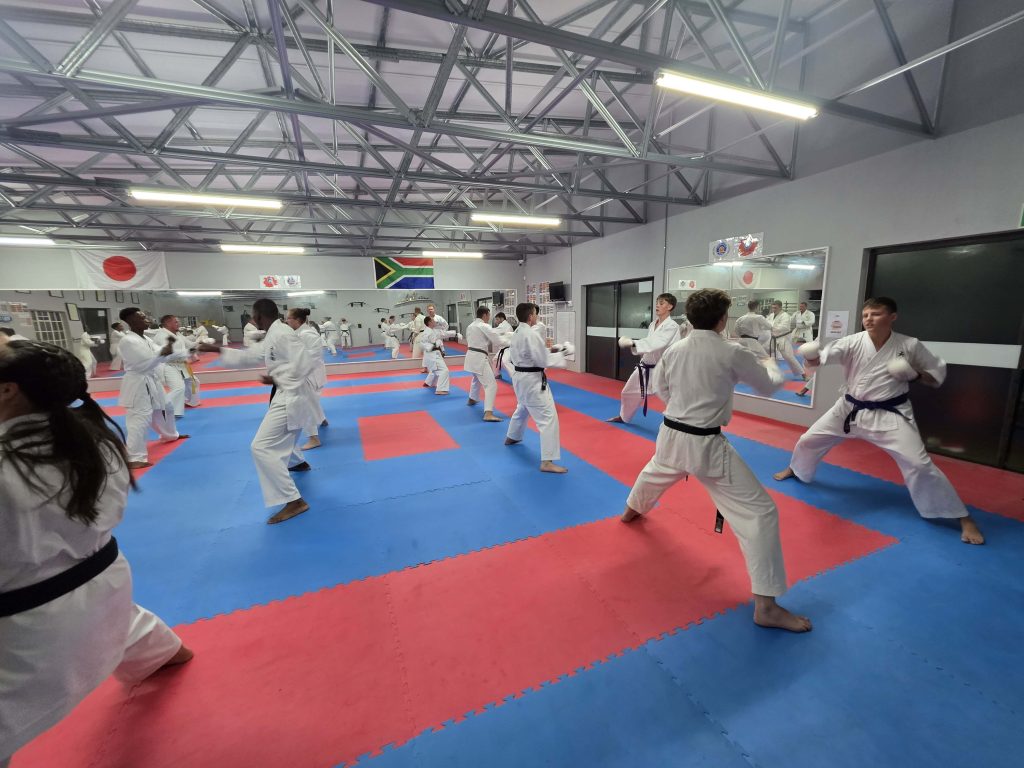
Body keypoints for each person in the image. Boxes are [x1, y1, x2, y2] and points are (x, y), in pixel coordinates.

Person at [0, 341, 192, 767]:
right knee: (118, 619)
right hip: (106, 587)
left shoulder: (11, 463)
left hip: (28, 628)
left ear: (9, 390)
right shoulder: (96, 441)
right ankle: (164, 653)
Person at [621, 289, 811, 633]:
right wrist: (770, 362)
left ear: (691, 318)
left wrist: (683, 406)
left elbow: (661, 388)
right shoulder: (732, 352)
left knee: (657, 470)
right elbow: (769, 386)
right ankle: (766, 607)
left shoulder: (676, 349)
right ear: (723, 320)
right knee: (760, 512)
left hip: (670, 433)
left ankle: (631, 510)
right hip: (705, 444)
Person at [773, 296, 984, 544]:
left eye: (875, 314)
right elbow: (824, 357)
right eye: (865, 315)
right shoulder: (852, 341)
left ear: (892, 317)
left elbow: (935, 376)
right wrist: (812, 357)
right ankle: (797, 469)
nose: (868, 319)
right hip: (849, 408)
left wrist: (915, 375)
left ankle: (961, 516)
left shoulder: (910, 345)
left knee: (918, 464)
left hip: (890, 413)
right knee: (809, 439)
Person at [202, 298, 317, 525]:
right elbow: (250, 356)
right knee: (281, 437)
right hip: (286, 392)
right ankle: (297, 463)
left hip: (291, 393)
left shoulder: (281, 334)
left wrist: (277, 378)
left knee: (261, 447)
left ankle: (293, 500)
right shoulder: (274, 334)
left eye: (253, 317)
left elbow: (305, 363)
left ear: (258, 317)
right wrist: (217, 349)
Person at [504, 302, 573, 474]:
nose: (537, 316)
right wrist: (563, 353)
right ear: (530, 316)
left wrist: (552, 350)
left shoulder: (517, 332)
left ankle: (512, 436)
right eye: (535, 313)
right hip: (532, 380)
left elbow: (531, 355)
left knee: (523, 407)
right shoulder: (531, 334)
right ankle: (547, 462)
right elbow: (542, 360)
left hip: (519, 378)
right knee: (548, 418)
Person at [116, 308, 188, 469]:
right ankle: (135, 457)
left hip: (151, 380)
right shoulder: (128, 341)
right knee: (140, 418)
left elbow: (163, 355)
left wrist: (191, 350)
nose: (147, 319)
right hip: (138, 383)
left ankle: (170, 435)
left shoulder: (146, 338)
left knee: (167, 408)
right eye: (142, 317)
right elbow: (144, 363)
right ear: (131, 320)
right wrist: (163, 352)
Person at [608, 293, 680, 424]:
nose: (657, 305)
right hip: (645, 366)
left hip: (662, 369)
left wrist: (633, 343)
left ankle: (680, 422)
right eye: (657, 302)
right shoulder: (653, 324)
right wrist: (637, 346)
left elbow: (657, 343)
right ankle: (624, 417)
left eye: (661, 303)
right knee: (628, 391)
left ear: (670, 306)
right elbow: (650, 344)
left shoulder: (672, 326)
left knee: (670, 397)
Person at [286, 307, 328, 451]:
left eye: (289, 318)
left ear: (297, 320)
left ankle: (313, 438)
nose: (286, 321)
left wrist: (294, 365)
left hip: (309, 375)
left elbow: (314, 355)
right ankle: (322, 420)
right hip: (308, 373)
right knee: (312, 401)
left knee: (305, 406)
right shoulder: (299, 333)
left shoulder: (307, 334)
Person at [464, 306, 509, 422]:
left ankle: (472, 398)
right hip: (479, 358)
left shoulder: (470, 326)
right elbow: (497, 340)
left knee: (477, 378)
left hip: (470, 356)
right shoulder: (484, 326)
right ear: (484, 315)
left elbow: (485, 337)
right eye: (489, 315)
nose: (489, 317)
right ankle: (488, 413)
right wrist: (512, 341)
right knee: (491, 385)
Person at [152, 315, 201, 417]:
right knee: (178, 388)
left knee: (194, 382)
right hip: (168, 365)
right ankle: (164, 409)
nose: (178, 324)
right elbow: (169, 353)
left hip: (181, 364)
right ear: (167, 323)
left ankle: (190, 401)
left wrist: (200, 343)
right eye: (176, 322)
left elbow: (190, 344)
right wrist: (189, 352)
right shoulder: (162, 336)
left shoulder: (177, 334)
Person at [767, 301, 807, 380]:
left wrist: (770, 327)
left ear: (780, 307)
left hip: (783, 338)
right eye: (773, 308)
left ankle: (803, 374)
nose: (773, 309)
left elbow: (784, 327)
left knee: (789, 357)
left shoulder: (785, 316)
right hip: (773, 338)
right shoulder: (771, 315)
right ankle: (772, 374)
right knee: (771, 357)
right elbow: (766, 323)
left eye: (775, 308)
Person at [420, 316, 450, 395]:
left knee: (434, 369)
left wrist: (455, 334)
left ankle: (429, 383)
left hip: (435, 354)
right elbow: (422, 344)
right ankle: (440, 389)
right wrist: (433, 346)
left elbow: (444, 334)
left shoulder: (433, 330)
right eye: (433, 320)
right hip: (432, 355)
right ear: (429, 322)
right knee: (444, 371)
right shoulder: (427, 332)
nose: (435, 321)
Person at [493, 312, 513, 381]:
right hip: (503, 348)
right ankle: (497, 374)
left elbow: (494, 331)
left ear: (502, 319)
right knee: (495, 360)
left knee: (505, 361)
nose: (496, 321)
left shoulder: (504, 325)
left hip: (508, 348)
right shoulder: (503, 325)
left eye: (497, 319)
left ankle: (515, 378)